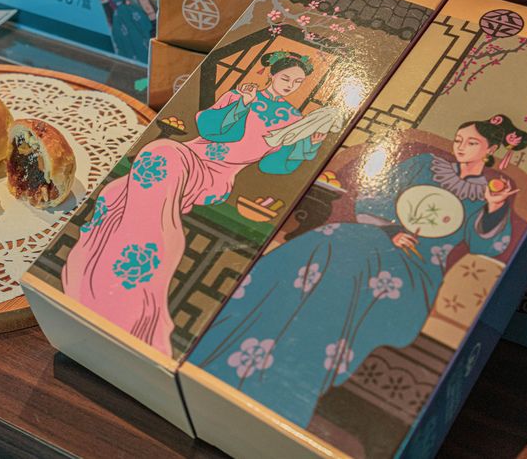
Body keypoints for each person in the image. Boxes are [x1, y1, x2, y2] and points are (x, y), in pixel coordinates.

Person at [190, 114, 527, 429]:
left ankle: (291, 384)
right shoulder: (424, 164)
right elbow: (372, 198)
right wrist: (391, 230)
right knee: (330, 241)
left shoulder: (487, 194)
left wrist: (495, 208)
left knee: (354, 272)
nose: (460, 146)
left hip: (417, 265)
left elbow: (488, 246)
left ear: (491, 149)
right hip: (375, 237)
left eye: (471, 142)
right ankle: (233, 345)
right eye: (458, 139)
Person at [63, 51, 335, 356]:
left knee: (160, 152)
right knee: (118, 189)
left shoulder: (293, 119)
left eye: (297, 82)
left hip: (214, 175)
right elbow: (209, 130)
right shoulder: (241, 95)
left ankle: (133, 282)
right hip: (189, 154)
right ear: (272, 74)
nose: (290, 85)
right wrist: (241, 105)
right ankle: (103, 275)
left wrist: (310, 143)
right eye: (286, 78)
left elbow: (275, 166)